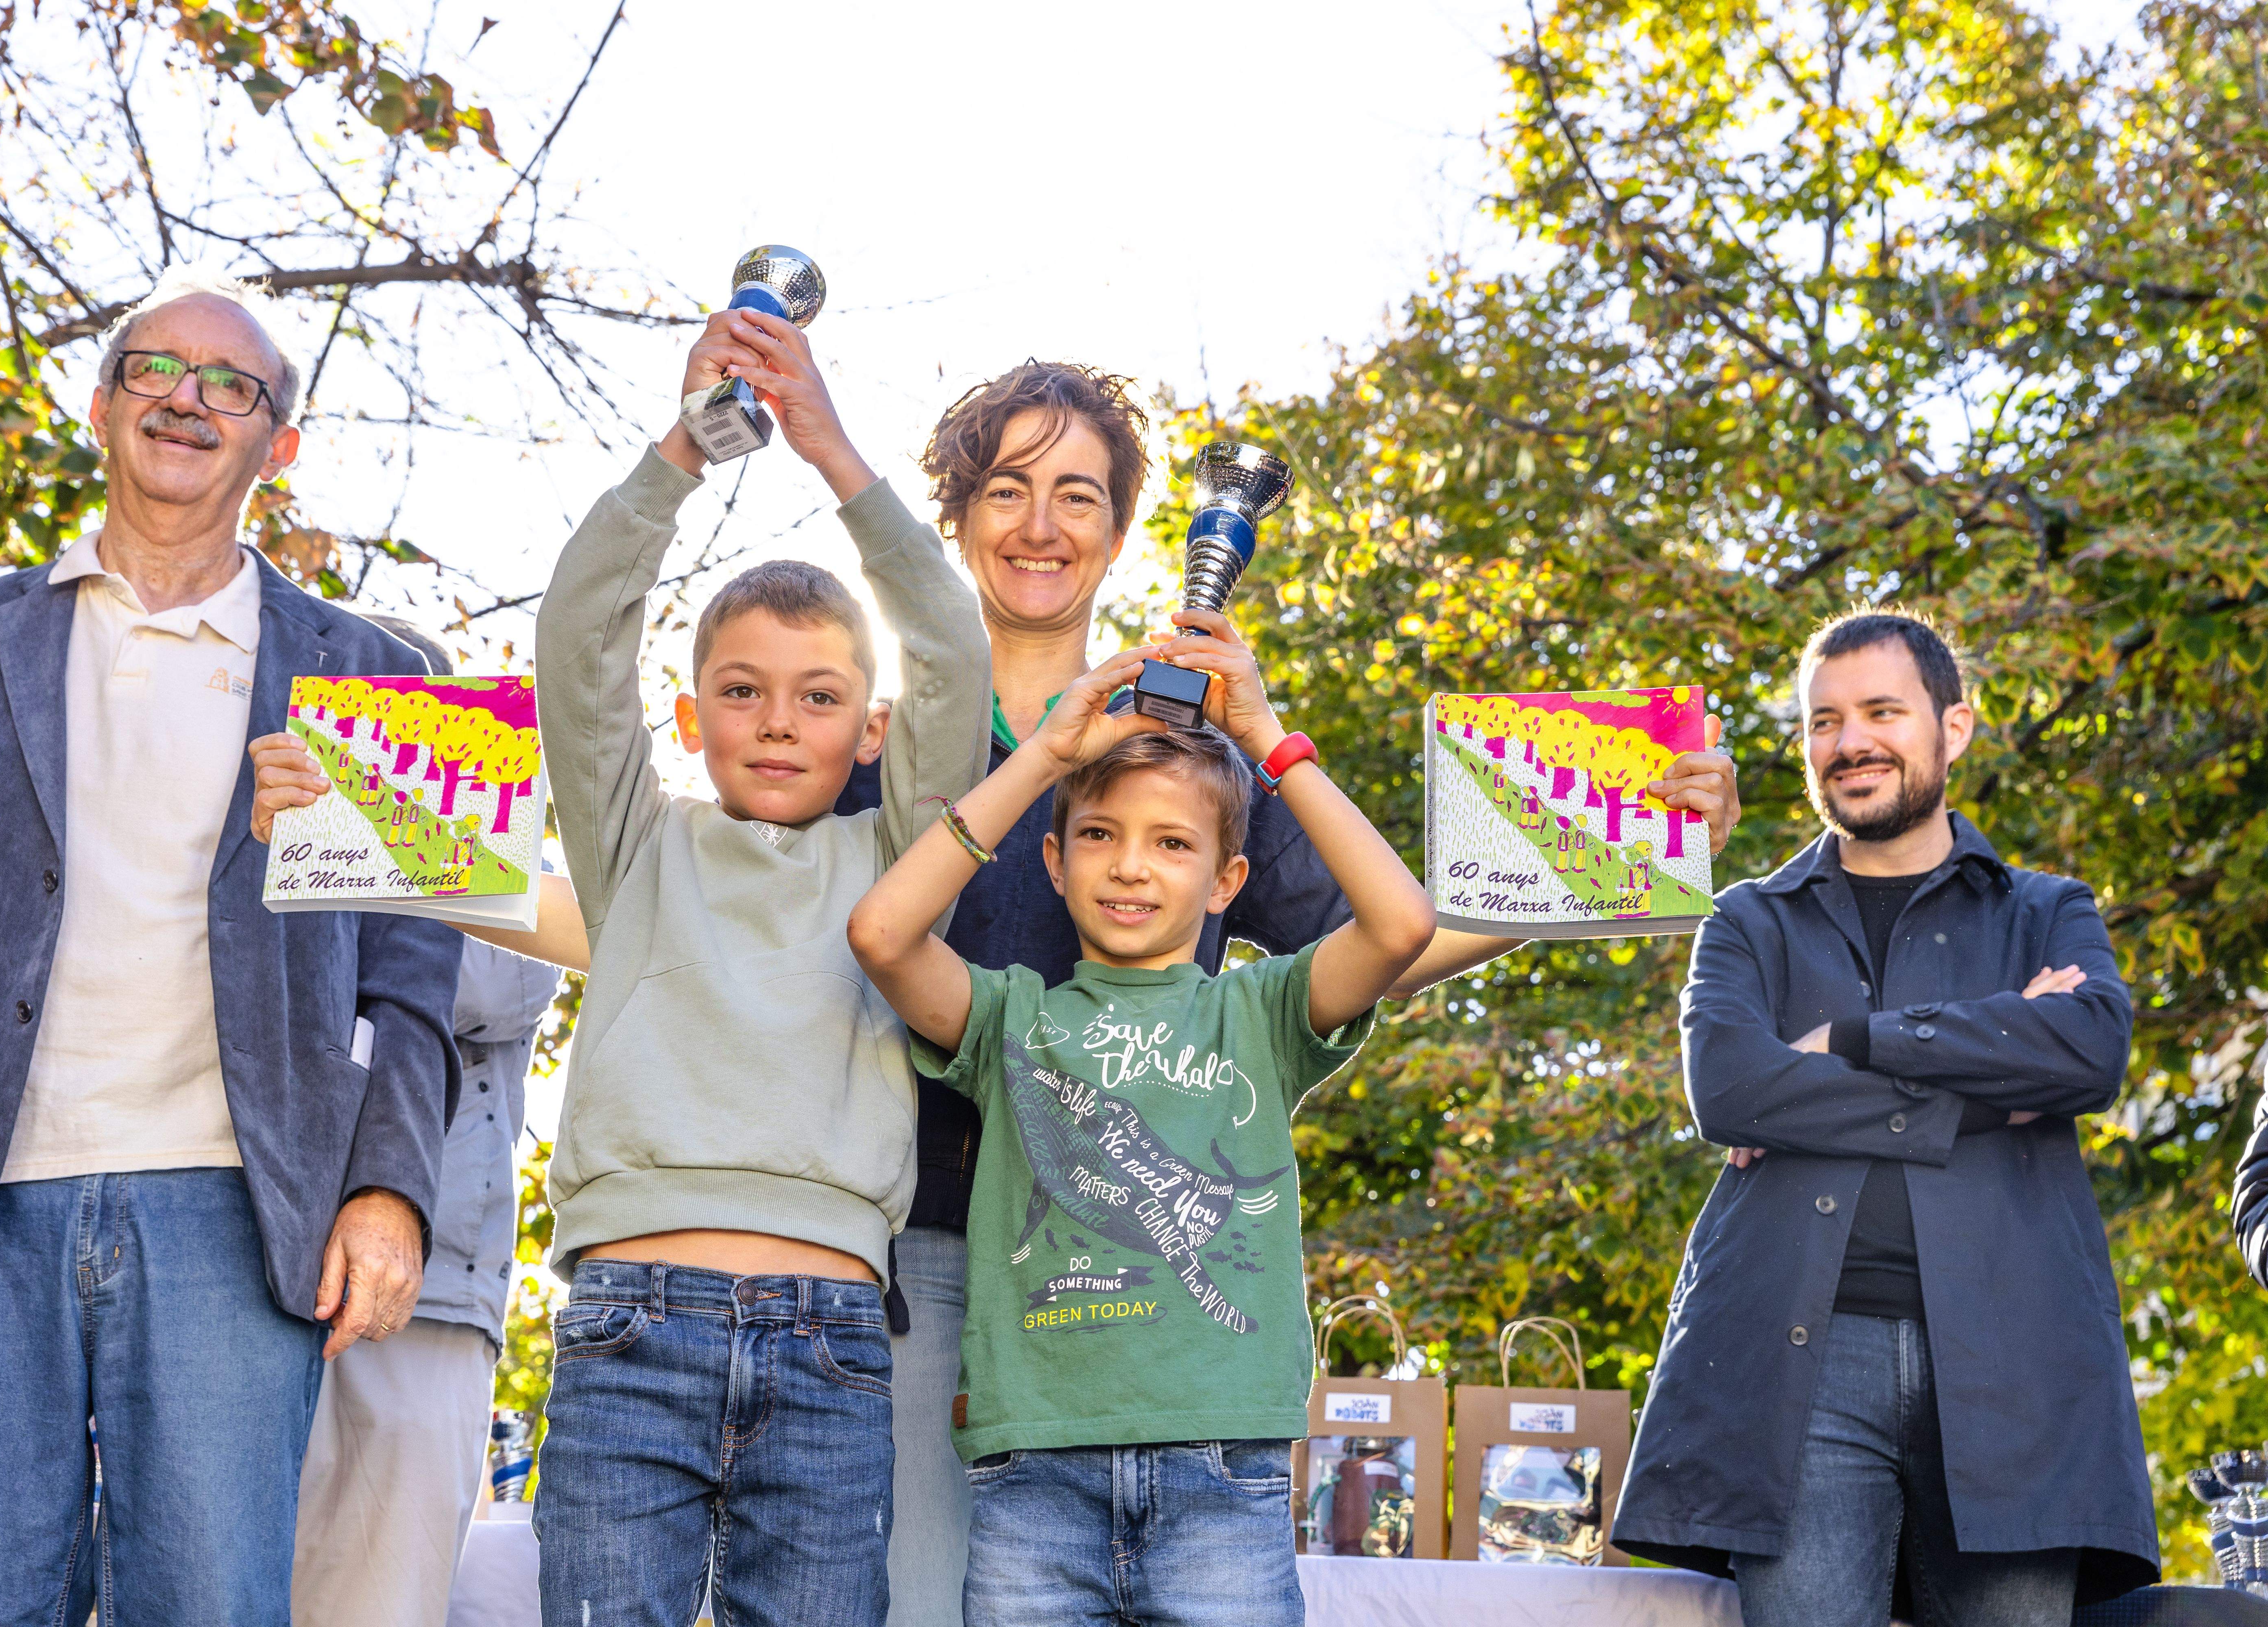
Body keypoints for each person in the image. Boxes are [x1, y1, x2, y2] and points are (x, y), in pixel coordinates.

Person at [828, 361, 1744, 1625]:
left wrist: (1628, 839)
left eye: (1079, 495)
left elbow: (1388, 930)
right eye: (1007, 489)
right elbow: (781, 921)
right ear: (957, 512)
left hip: (1168, 1310)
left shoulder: (1176, 747)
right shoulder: (868, 736)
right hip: (910, 1257)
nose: (1041, 524)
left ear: (1120, 524)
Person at [0, 273, 463, 1626]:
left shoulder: (375, 674)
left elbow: (414, 982)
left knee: (216, 1605)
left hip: (237, 1210)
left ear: (277, 447)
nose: (187, 397)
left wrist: (390, 1193)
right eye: (154, 368)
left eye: (231, 384)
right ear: (104, 401)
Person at [527, 300, 990, 1625]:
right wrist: (689, 444)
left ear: (870, 729)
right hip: (633, 1321)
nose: (779, 722)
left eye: (819, 696)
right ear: (692, 715)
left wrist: (835, 453)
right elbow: (579, 636)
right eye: (741, 691)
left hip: (833, 1344)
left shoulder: (898, 867)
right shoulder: (638, 849)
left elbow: (953, 656)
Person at [845, 628, 1437, 1625]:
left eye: (1173, 842)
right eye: (1100, 834)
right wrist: (1043, 755)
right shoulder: (1009, 1017)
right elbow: (881, 932)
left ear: (1226, 882)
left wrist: (1264, 732)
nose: (1130, 866)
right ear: (1055, 860)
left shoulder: (1258, 1012)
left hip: (1222, 1472)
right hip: (1033, 1478)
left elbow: (1402, 922)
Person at [1612, 609, 2158, 1623]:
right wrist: (1988, 1078)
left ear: (1953, 728)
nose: (1850, 741)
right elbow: (1731, 1090)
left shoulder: (2048, 908)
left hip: (2018, 1365)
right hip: (1796, 1369)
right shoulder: (1747, 919)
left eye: (1881, 711)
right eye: (1825, 720)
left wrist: (1857, 1041)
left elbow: (2088, 1050)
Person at [290, 619, 562, 1627]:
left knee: (380, 1598)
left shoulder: (500, 848)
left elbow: (490, 983)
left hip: (431, 1286)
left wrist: (366, 842)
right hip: (263, 1266)